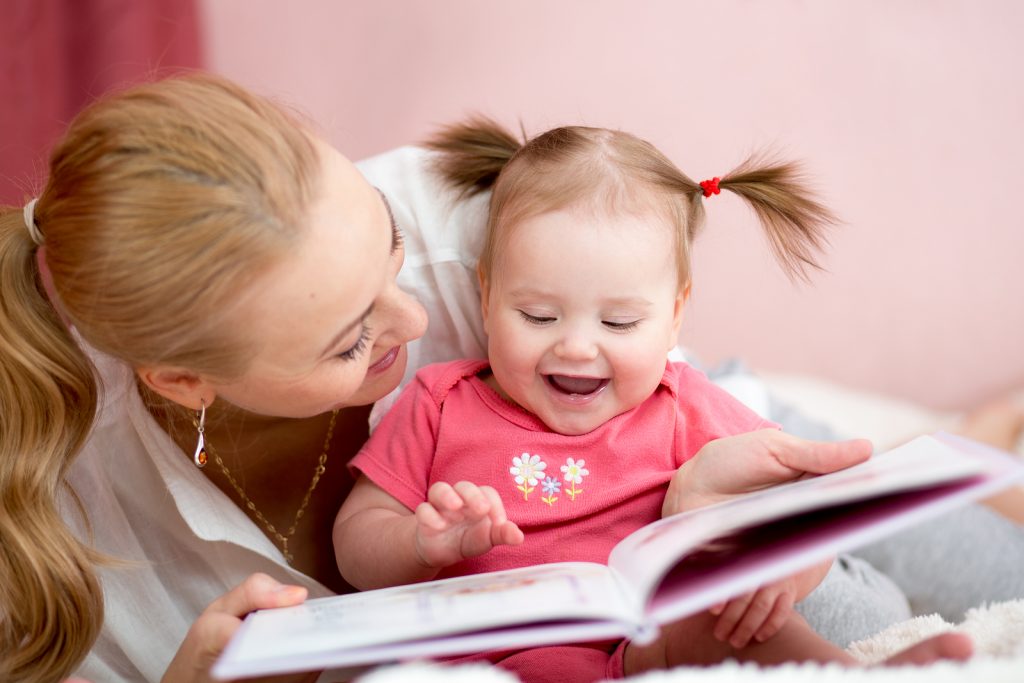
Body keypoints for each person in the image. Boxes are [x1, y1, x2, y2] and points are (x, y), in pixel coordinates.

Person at [0, 72, 909, 683]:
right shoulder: (442, 400)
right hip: (533, 643)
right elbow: (370, 537)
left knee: (828, 596)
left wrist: (729, 519)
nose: (423, 324)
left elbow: (783, 506)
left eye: (392, 251)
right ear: (185, 382)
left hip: (722, 442)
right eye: (351, 337)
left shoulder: (477, 221)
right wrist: (429, 546)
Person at [333, 118, 974, 681]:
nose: (578, 349)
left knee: (731, 623)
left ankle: (844, 678)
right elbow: (355, 544)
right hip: (477, 660)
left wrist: (785, 573)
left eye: (618, 325)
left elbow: (800, 516)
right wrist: (421, 543)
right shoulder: (439, 402)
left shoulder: (682, 403)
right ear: (486, 295)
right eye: (538, 315)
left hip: (648, 648)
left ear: (673, 318)